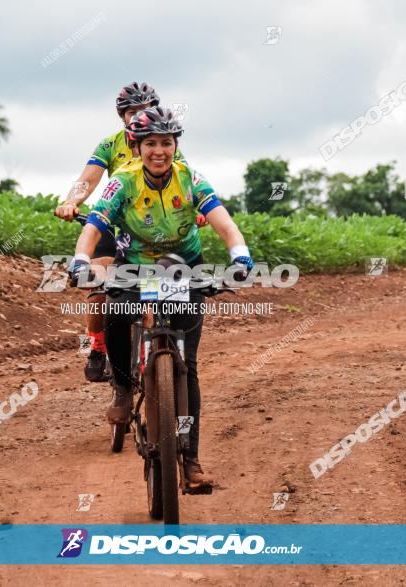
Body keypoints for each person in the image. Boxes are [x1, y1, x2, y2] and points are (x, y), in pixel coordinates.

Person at [68, 106, 254, 488]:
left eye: (166, 143)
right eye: (150, 143)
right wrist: (80, 259)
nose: (159, 151)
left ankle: (191, 461)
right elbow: (93, 226)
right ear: (136, 147)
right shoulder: (123, 181)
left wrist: (240, 255)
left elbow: (224, 223)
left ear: (175, 146)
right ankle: (122, 385)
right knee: (117, 317)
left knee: (189, 365)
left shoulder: (190, 180)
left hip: (182, 266)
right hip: (133, 264)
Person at [54, 82, 186, 382]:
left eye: (147, 109)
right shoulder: (110, 145)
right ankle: (99, 348)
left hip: (157, 231)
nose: (140, 115)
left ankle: (161, 349)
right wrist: (71, 201)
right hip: (115, 228)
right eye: (133, 112)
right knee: (99, 286)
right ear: (122, 117)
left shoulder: (165, 144)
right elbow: (87, 179)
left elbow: (187, 182)